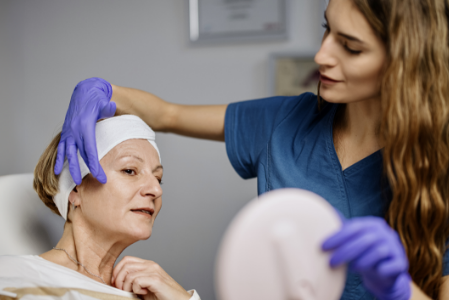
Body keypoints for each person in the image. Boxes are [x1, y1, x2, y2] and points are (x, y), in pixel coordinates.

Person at [54, 0, 449, 299]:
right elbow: (168, 114)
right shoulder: (284, 123)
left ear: (403, 62)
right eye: (327, 30)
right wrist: (102, 89)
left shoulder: (439, 170)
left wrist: (403, 291)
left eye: (350, 46)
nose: (322, 55)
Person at [0, 115, 200, 300]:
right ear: (75, 190)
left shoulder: (153, 293)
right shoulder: (11, 276)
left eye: (158, 178)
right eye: (129, 170)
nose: (156, 189)